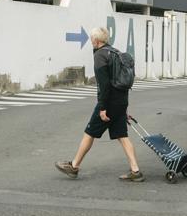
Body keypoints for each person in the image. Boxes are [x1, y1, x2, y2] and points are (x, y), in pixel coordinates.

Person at [55, 27, 145, 182]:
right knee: (122, 136)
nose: (91, 41)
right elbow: (120, 82)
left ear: (96, 41)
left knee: (89, 132)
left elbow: (104, 85)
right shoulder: (116, 53)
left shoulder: (100, 56)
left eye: (91, 39)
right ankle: (135, 171)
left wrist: (103, 108)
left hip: (109, 103)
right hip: (121, 101)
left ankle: (74, 166)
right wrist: (123, 108)